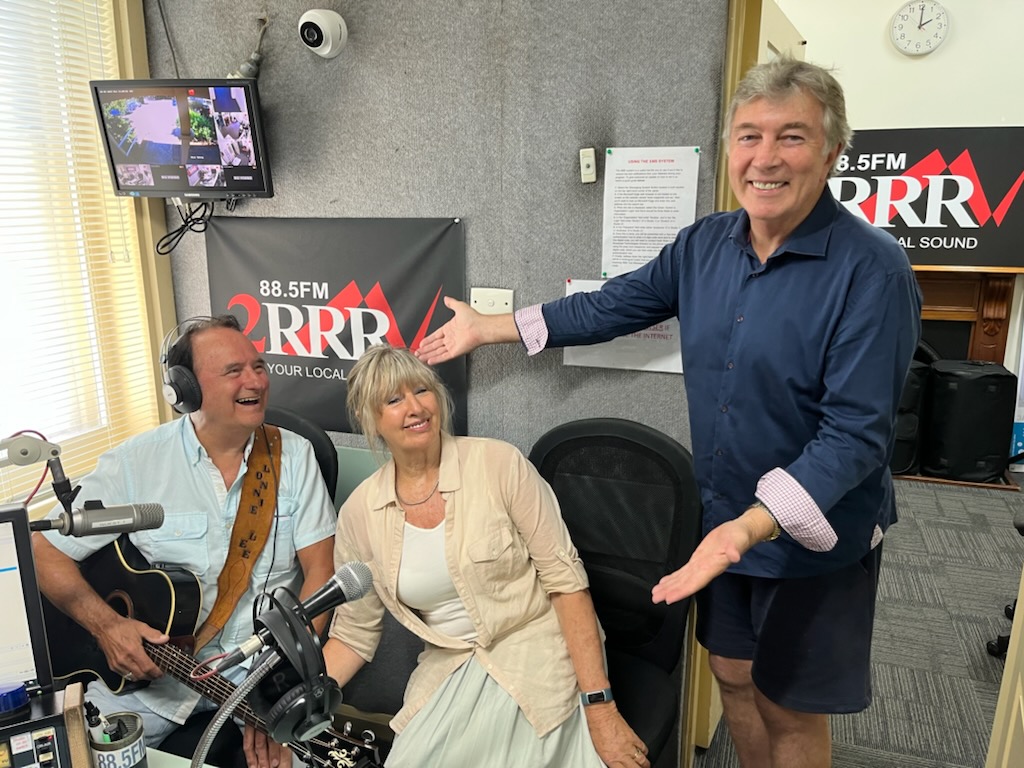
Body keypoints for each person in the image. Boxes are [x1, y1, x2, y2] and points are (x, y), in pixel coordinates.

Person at [415, 57, 922, 768]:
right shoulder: (704, 244)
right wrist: (491, 328)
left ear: (833, 151)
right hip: (727, 517)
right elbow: (612, 306)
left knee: (787, 705)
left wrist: (746, 530)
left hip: (816, 531)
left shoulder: (872, 269)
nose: (765, 158)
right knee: (733, 676)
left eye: (792, 137)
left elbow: (856, 437)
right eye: (748, 136)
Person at [322, 343, 648, 768]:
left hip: (535, 654)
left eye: (422, 390)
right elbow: (353, 634)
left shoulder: (499, 464)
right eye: (394, 399)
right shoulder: (360, 513)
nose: (415, 408)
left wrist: (600, 707)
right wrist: (300, 703)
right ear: (371, 418)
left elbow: (567, 584)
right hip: (450, 668)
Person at [32, 315, 337, 768]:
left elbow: (321, 576)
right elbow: (44, 551)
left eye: (258, 366)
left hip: (257, 678)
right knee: (67, 755)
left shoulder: (294, 455)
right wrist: (108, 627)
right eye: (233, 371)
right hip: (153, 685)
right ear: (185, 390)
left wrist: (280, 683)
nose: (255, 381)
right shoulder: (135, 464)